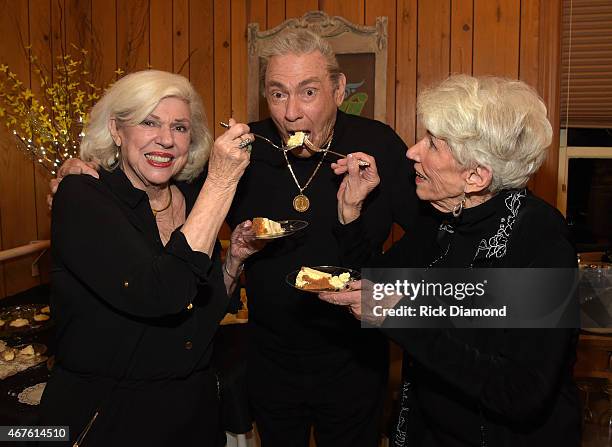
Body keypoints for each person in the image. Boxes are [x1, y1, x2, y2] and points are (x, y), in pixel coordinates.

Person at [50, 30, 419, 446]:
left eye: (309, 92)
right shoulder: (247, 149)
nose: (292, 113)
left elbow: (429, 237)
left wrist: (379, 282)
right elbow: (163, 188)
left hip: (354, 358)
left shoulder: (378, 144)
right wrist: (84, 170)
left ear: (337, 90)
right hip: (268, 358)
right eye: (278, 95)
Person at [319, 75, 581, 446]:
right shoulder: (441, 219)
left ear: (475, 176)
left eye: (432, 144)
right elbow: (375, 284)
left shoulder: (541, 244)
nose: (412, 152)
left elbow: (521, 393)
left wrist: (401, 316)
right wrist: (351, 211)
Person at [41, 69, 258, 446]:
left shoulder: (190, 198)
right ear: (116, 130)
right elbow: (159, 293)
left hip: (193, 415)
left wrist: (232, 264)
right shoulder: (82, 195)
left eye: (179, 128)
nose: (166, 140)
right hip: (108, 419)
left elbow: (197, 315)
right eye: (149, 122)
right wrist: (221, 183)